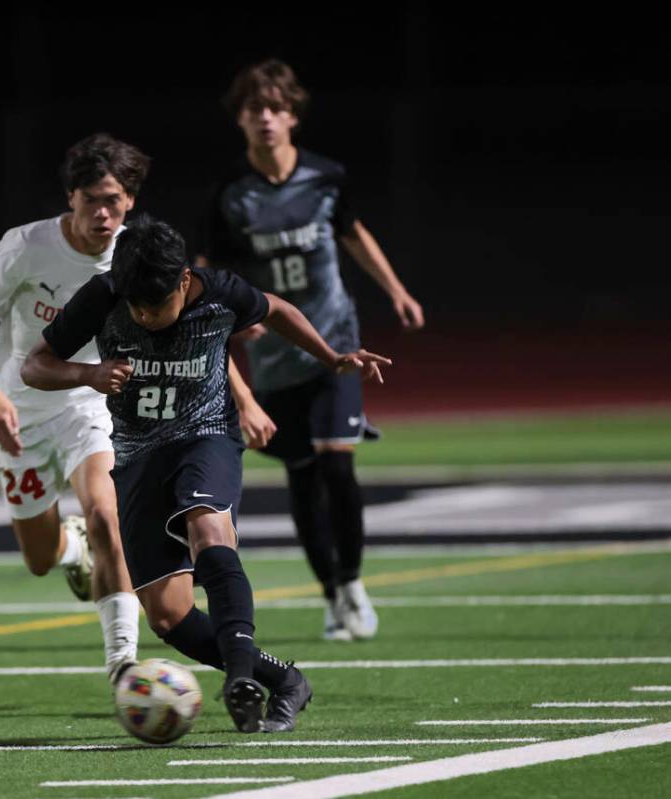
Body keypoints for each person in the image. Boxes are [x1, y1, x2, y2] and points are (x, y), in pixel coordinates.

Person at [22, 216, 389, 733]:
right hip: (137, 457)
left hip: (206, 435)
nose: (147, 317)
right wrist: (87, 374)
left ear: (183, 282)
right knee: (168, 616)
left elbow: (278, 309)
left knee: (207, 526)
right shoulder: (104, 293)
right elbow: (34, 365)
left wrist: (330, 358)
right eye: (138, 308)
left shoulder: (218, 292)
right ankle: (283, 679)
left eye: (158, 306)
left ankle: (239, 680)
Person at [199, 59, 425, 642]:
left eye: (276, 108)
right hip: (274, 358)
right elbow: (211, 271)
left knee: (337, 463)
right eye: (255, 109)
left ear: (293, 115)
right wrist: (227, 321)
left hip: (336, 345)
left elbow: (353, 233)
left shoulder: (325, 177)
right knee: (302, 477)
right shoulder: (230, 192)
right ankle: (331, 593)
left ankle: (352, 583)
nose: (266, 118)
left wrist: (395, 290)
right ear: (241, 120)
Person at [0, 133, 147, 682]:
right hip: (20, 411)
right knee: (39, 560)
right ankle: (71, 549)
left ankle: (122, 662)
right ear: (71, 199)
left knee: (108, 515)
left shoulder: (137, 255)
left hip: (90, 403)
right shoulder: (27, 247)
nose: (103, 214)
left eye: (113, 200)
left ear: (130, 200)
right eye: (91, 201)